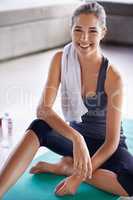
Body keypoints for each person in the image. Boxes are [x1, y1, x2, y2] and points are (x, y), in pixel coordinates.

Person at [0, 2, 133, 198]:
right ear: (70, 30)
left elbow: (112, 142)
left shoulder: (113, 76)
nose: (84, 38)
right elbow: (43, 109)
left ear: (103, 32)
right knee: (39, 126)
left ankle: (68, 167)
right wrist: (76, 138)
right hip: (74, 142)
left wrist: (77, 176)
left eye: (92, 31)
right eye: (78, 30)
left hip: (105, 147)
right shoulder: (60, 60)